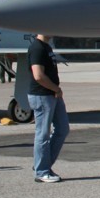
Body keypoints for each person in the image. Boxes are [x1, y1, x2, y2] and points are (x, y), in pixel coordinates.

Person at [28, 33, 70, 183]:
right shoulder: (37, 48)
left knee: (63, 129)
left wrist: (56, 91)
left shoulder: (46, 47)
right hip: (42, 95)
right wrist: (55, 89)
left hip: (53, 94)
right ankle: (41, 171)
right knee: (43, 133)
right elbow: (38, 75)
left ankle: (42, 165)